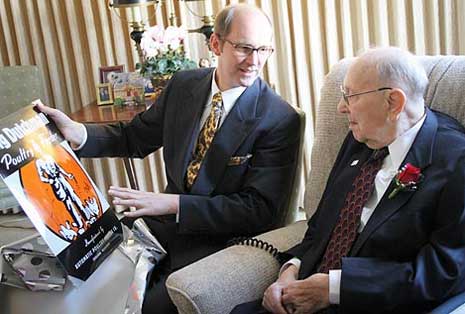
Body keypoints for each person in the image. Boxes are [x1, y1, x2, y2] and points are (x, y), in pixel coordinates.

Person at [36, 3, 300, 314]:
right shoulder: (183, 85)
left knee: (152, 305)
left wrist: (173, 204)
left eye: (264, 49)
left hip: (220, 240)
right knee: (84, 273)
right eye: (244, 48)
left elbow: (260, 211)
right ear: (215, 43)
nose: (255, 61)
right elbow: (135, 137)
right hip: (163, 226)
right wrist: (79, 132)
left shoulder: (279, 118)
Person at [231, 47, 465, 314]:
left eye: (350, 96)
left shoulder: (456, 161)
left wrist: (334, 289)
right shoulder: (361, 138)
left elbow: (442, 272)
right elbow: (321, 224)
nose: (341, 107)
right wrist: (290, 271)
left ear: (393, 103)